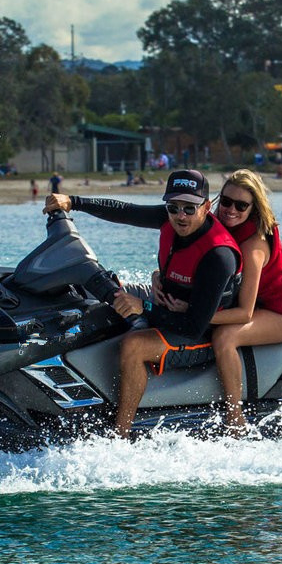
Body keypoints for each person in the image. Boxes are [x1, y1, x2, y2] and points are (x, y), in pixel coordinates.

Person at [44, 170, 241, 437]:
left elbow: (194, 326)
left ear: (206, 207)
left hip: (200, 332)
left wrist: (143, 307)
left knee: (133, 347)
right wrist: (73, 202)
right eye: (173, 207)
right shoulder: (170, 219)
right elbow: (125, 211)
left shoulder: (218, 255)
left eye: (189, 208)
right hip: (167, 306)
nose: (180, 215)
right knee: (97, 291)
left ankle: (120, 435)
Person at [154, 169, 282, 432]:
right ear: (215, 201)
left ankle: (234, 417)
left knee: (225, 337)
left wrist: (193, 312)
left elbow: (244, 314)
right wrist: (159, 275)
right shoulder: (211, 224)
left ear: (254, 208)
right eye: (225, 201)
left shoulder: (253, 246)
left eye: (241, 205)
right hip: (260, 306)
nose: (230, 210)